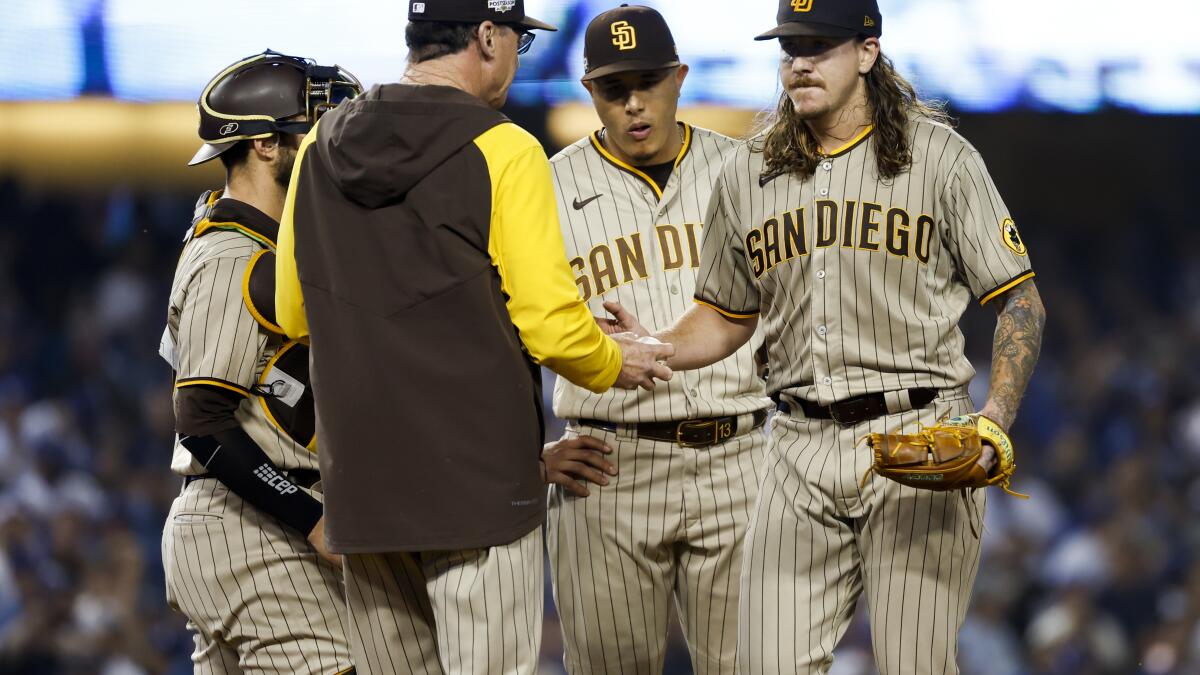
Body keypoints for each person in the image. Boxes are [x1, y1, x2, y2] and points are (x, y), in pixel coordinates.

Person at [605, 0, 1048, 671]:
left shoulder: (941, 159)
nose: (800, 62)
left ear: (867, 52)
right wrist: (656, 346)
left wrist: (996, 416)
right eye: (789, 48)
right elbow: (727, 313)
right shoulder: (747, 173)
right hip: (798, 448)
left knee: (912, 665)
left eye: (820, 45)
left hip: (919, 435)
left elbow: (1021, 302)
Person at [273, 1, 674, 672]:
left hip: (364, 490)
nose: (519, 55)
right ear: (487, 36)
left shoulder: (319, 145)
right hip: (478, 497)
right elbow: (552, 327)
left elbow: (291, 310)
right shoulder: (502, 147)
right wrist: (612, 361)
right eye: (517, 38)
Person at [538, 6, 771, 674]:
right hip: (608, 465)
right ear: (590, 92)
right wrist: (527, 452)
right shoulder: (549, 188)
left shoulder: (746, 171)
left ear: (679, 77)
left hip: (740, 457)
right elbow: (502, 332)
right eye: (615, 89)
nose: (634, 104)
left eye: (648, 82)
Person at [159, 49, 361, 674]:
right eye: (317, 128)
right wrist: (312, 520)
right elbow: (201, 419)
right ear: (268, 146)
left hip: (241, 524)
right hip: (249, 526)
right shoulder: (233, 254)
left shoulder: (266, 242)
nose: (333, 142)